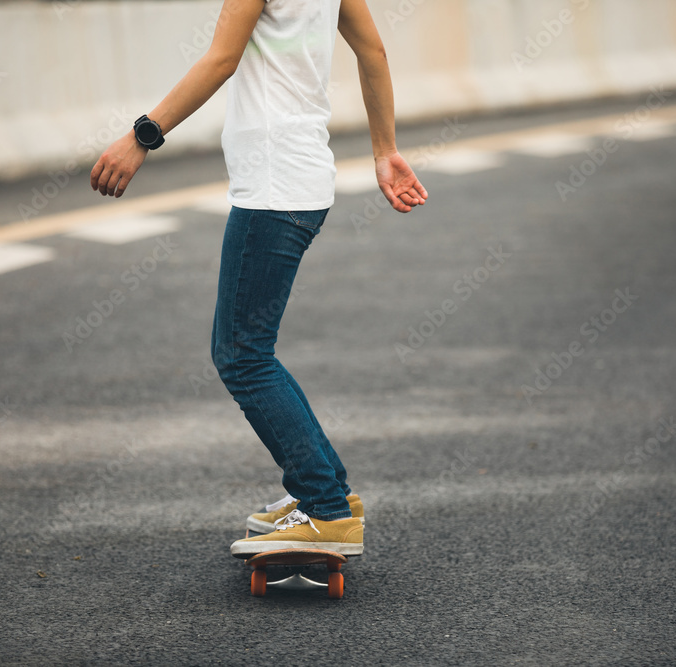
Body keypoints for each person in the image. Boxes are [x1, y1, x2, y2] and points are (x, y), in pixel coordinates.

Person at [90, 0, 427, 556]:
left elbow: (222, 59)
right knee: (252, 350)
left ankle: (325, 508)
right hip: (304, 178)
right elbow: (373, 50)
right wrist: (385, 149)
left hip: (273, 188)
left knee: (242, 355)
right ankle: (328, 491)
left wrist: (142, 136)